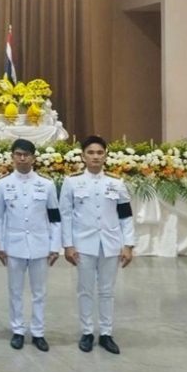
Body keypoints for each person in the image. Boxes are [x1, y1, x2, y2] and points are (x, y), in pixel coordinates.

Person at [60, 135, 135, 355]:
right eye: (91, 152)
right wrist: (68, 245)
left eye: (99, 152)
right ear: (83, 156)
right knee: (85, 290)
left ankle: (106, 333)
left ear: (105, 156)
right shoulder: (72, 182)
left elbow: (126, 216)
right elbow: (66, 215)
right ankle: (86, 332)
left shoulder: (116, 182)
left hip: (110, 244)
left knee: (107, 291)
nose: (95, 156)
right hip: (83, 244)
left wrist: (128, 244)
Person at [0, 138, 61, 352]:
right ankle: (18, 330)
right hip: (13, 246)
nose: (22, 158)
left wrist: (55, 246)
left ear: (33, 158)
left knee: (39, 292)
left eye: (26, 155)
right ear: (12, 157)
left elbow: (55, 218)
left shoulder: (46, 185)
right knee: (15, 290)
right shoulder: (3, 185)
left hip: (40, 245)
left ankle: (38, 332)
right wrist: (0, 245)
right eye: (18, 154)